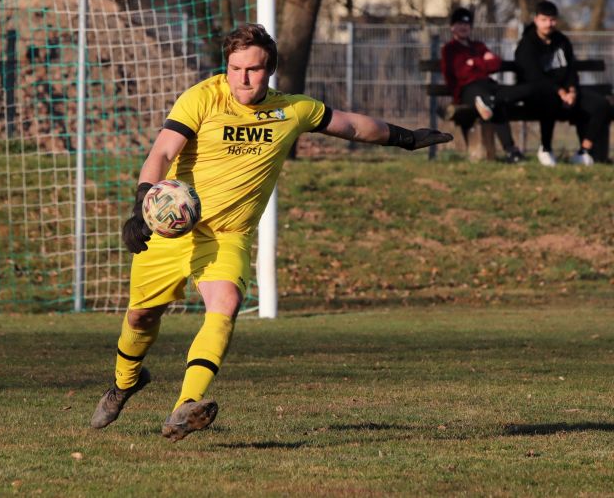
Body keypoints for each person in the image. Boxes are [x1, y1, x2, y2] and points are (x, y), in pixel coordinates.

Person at [90, 23, 452, 442]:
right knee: (142, 316)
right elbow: (163, 151)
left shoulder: (291, 110)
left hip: (227, 234)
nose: (243, 78)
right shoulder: (202, 98)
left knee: (226, 303)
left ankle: (185, 407)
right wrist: (141, 204)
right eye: (235, 68)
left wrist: (406, 138)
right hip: (174, 230)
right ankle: (125, 382)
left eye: (254, 69)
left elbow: (351, 126)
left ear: (270, 70)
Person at [515, 0, 610, 166]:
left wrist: (572, 91)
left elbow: (571, 70)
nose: (548, 24)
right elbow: (533, 77)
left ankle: (584, 151)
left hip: (567, 93)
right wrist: (560, 92)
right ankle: (546, 148)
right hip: (538, 95)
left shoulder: (562, 41)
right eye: (544, 20)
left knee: (601, 105)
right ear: (536, 20)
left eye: (552, 20)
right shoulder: (526, 44)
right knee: (550, 100)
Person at [440, 7, 527, 163]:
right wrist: (483, 62)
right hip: (466, 91)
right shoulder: (450, 49)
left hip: (488, 86)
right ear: (452, 27)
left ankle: (511, 151)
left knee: (506, 97)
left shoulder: (478, 46)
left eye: (467, 24)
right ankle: (511, 150)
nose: (464, 27)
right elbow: (461, 73)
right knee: (492, 102)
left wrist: (474, 62)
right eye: (460, 23)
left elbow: (496, 63)